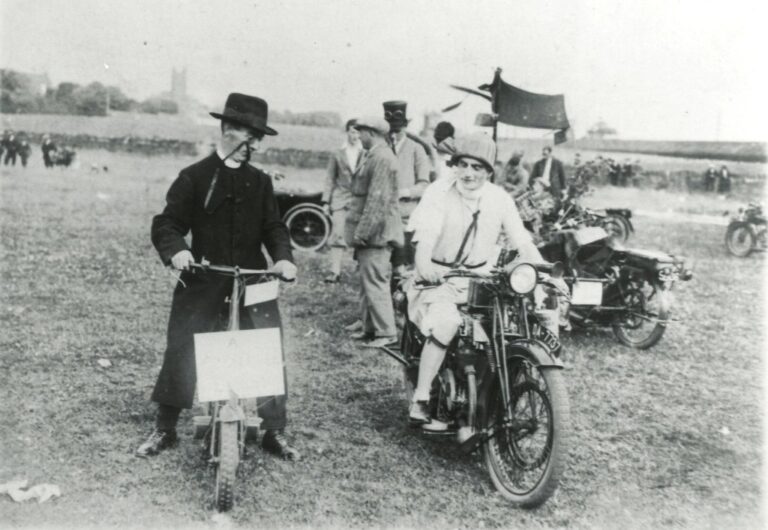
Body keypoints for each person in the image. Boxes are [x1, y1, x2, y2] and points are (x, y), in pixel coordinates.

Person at [137, 93, 300, 460]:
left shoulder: (260, 183)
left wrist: (283, 258)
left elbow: (274, 227)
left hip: (253, 279)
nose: (255, 146)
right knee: (183, 345)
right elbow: (167, 223)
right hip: (203, 277)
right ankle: (165, 428)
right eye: (250, 137)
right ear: (228, 129)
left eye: (259, 139)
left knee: (265, 347)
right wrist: (178, 250)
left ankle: (274, 431)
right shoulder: (194, 177)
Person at [405, 133, 543, 425]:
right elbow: (425, 237)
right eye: (463, 165)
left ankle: (493, 392)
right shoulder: (438, 192)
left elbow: (521, 239)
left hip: (480, 278)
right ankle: (421, 396)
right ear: (454, 166)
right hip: (439, 278)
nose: (468, 173)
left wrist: (540, 266)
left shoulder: (499, 198)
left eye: (477, 167)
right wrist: (425, 263)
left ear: (489, 171)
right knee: (447, 323)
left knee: (510, 326)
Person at [345, 117, 403, 348]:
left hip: (376, 235)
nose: (358, 135)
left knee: (375, 282)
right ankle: (370, 328)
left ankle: (386, 333)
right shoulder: (376, 155)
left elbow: (377, 201)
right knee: (367, 281)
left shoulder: (381, 158)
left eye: (362, 132)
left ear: (372, 132)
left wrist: (362, 233)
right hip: (371, 234)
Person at [384, 101, 431, 279]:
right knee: (379, 268)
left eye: (397, 129)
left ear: (405, 126)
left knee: (401, 271)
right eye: (391, 130)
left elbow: (424, 185)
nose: (394, 134)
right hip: (382, 217)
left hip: (405, 218)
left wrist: (405, 193)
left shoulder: (416, 150)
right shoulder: (380, 147)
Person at [321, 119, 363, 283]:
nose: (355, 136)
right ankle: (335, 271)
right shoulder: (338, 153)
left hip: (360, 200)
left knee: (362, 236)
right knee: (338, 234)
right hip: (340, 199)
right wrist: (326, 201)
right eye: (352, 132)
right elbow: (330, 178)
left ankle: (361, 268)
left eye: (358, 132)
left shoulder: (366, 153)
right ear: (347, 132)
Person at [530, 146, 566, 213]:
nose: (544, 156)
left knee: (552, 205)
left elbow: (562, 177)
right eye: (543, 154)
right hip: (541, 187)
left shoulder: (557, 163)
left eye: (546, 154)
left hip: (553, 187)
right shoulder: (539, 163)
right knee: (540, 204)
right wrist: (531, 185)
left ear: (550, 153)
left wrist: (563, 189)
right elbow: (532, 176)